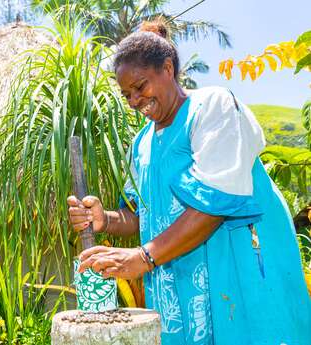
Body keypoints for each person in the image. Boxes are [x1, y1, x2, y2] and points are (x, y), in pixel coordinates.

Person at [67, 20, 311, 344]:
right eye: (127, 95)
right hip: (176, 297)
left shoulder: (213, 108)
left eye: (140, 86)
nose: (135, 100)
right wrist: (105, 219)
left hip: (235, 279)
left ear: (167, 69)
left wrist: (142, 258)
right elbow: (142, 214)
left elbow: (213, 206)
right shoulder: (141, 144)